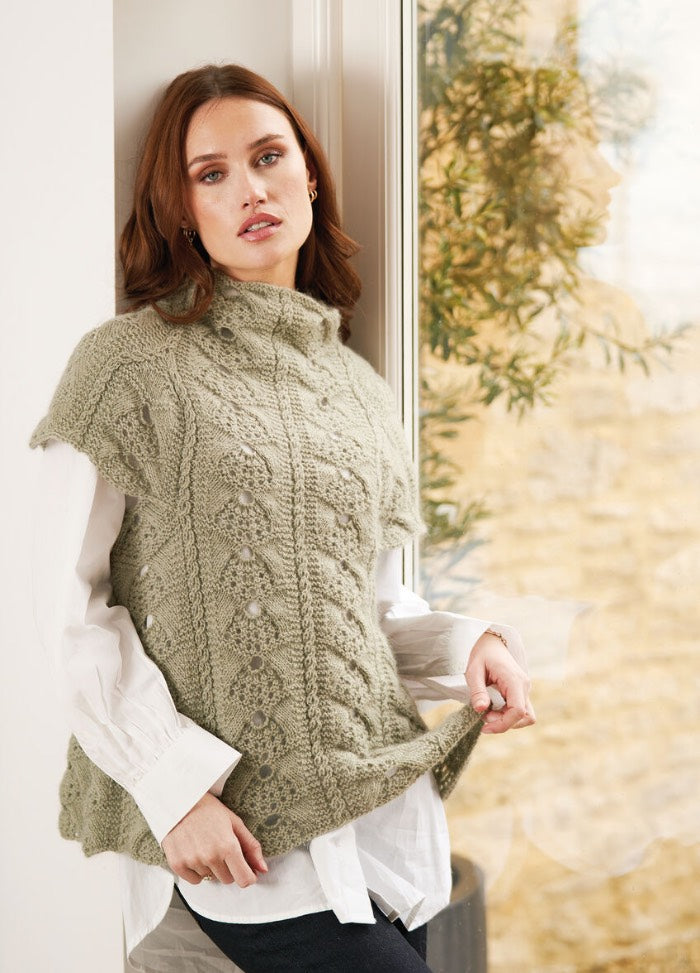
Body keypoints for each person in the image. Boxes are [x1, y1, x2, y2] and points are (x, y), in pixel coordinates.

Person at [28, 63, 535, 972]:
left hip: (380, 834)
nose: (250, 188)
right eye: (210, 173)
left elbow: (364, 611)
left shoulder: (360, 391)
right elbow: (69, 607)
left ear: (310, 176)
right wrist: (170, 786)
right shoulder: (126, 369)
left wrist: (465, 650)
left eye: (268, 157)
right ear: (180, 210)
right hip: (246, 846)